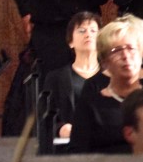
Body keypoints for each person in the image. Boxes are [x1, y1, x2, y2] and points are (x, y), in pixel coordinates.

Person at [68, 16, 143, 153]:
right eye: (117, 51)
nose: (126, 56)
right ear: (104, 61)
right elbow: (77, 151)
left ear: (142, 54)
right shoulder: (91, 104)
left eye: (131, 48)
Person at [40, 11, 101, 139]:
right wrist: (60, 129)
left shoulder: (112, 75)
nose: (88, 34)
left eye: (93, 31)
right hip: (69, 147)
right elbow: (45, 116)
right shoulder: (55, 78)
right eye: (81, 30)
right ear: (70, 42)